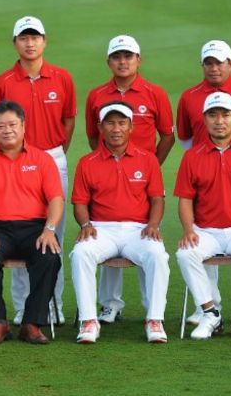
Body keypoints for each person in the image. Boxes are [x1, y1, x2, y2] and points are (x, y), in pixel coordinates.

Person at [84, 35, 175, 324]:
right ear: (109, 61)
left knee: (149, 238)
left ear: (139, 59)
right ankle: (110, 305)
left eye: (128, 56)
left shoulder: (154, 92)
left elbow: (168, 135)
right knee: (104, 229)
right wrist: (109, 166)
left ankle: (152, 307)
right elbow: (91, 135)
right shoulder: (97, 95)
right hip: (109, 172)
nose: (123, 62)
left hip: (144, 179)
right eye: (117, 57)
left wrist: (150, 168)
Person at [0, 16, 74, 324]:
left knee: (53, 236)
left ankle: (53, 306)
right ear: (15, 43)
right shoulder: (3, 82)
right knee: (18, 227)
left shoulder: (62, 78)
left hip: (51, 157)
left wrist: (53, 154)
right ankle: (24, 308)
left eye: (34, 37)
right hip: (13, 160)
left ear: (44, 40)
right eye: (23, 38)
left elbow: (68, 121)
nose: (29, 42)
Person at [71, 101, 170, 344]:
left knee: (158, 255)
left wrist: (153, 225)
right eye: (111, 123)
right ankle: (88, 320)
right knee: (80, 253)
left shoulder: (148, 160)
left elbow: (157, 199)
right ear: (100, 128)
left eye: (122, 123)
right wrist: (85, 225)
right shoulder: (87, 162)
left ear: (131, 127)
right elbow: (80, 203)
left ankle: (154, 319)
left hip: (138, 230)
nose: (116, 128)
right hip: (101, 229)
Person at [0, 100, 63, 345]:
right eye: (1, 126)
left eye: (12, 124)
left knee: (49, 256)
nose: (7, 130)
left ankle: (31, 323)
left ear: (23, 126)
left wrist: (49, 229)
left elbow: (56, 198)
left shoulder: (42, 160)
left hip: (35, 227)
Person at [176, 40, 231, 324]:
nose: (214, 68)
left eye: (219, 62)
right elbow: (185, 137)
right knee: (200, 231)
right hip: (203, 171)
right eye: (209, 62)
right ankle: (208, 307)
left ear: (230, 63)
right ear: (203, 65)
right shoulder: (189, 97)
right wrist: (201, 164)